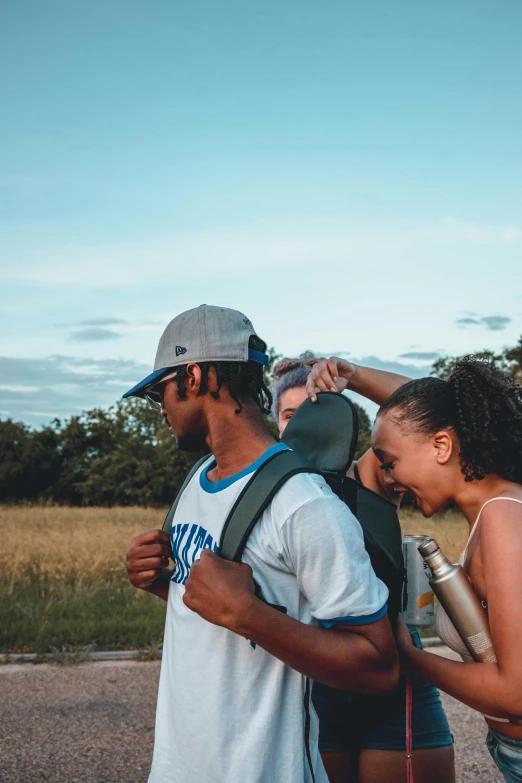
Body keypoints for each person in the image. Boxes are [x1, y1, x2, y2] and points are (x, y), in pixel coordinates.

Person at [124, 305, 399, 783]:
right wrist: (161, 583)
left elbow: (378, 667)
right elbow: (214, 611)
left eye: (158, 391)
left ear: (192, 376)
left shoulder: (303, 503)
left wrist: (248, 614)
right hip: (178, 767)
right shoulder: (198, 478)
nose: (160, 407)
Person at [307, 354, 522, 783]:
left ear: (442, 446)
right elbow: (429, 413)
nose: (389, 477)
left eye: (389, 462)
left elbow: (516, 693)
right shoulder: (493, 507)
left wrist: (405, 656)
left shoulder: (502, 518)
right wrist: (356, 377)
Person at [272, 355, 455, 783]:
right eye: (290, 414)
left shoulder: (372, 474)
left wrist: (353, 377)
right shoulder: (264, 497)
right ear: (276, 424)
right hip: (311, 682)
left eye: (317, 411)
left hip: (394, 674)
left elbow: (435, 412)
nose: (305, 425)